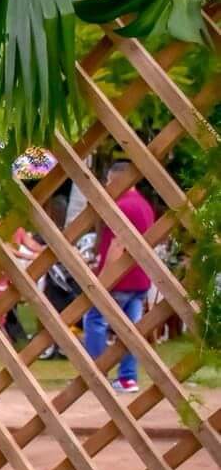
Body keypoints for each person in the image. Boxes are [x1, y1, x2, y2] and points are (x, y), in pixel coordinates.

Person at [82, 161, 154, 393]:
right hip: (141, 278)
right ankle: (128, 378)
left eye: (108, 182)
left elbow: (117, 244)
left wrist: (103, 278)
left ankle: (98, 373)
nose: (106, 187)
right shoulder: (145, 206)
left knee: (94, 319)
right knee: (131, 330)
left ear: (117, 180)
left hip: (120, 279)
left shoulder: (121, 206)